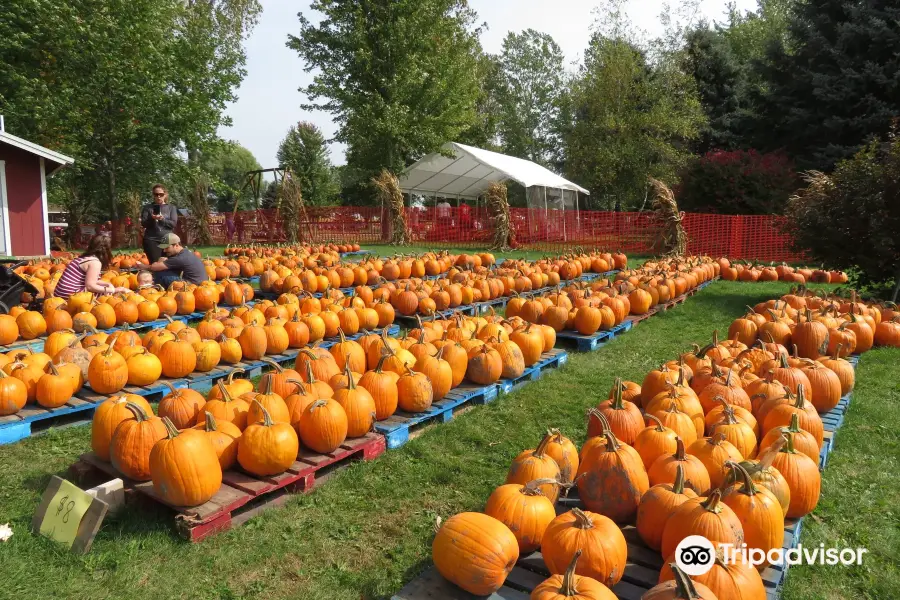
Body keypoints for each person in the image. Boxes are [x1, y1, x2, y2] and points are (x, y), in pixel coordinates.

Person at [54, 234, 130, 299]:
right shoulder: (95, 262)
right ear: (107, 250)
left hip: (59, 294)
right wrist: (113, 290)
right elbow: (90, 286)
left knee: (104, 291)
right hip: (70, 296)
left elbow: (91, 280)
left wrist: (107, 284)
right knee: (106, 296)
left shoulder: (84, 258)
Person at [137, 233, 208, 288]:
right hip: (200, 283)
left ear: (176, 245)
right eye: (164, 248)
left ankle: (152, 288)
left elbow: (154, 267)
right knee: (166, 270)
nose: (164, 250)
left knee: (160, 273)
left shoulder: (180, 258)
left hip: (192, 286)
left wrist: (142, 266)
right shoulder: (186, 253)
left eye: (167, 248)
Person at [140, 184, 178, 264]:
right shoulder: (147, 208)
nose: (158, 197)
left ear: (165, 194)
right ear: (153, 195)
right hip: (152, 240)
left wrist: (162, 219)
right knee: (155, 264)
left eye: (161, 194)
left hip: (168, 240)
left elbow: (173, 224)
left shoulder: (171, 208)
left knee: (170, 263)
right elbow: (144, 224)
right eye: (156, 194)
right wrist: (152, 219)